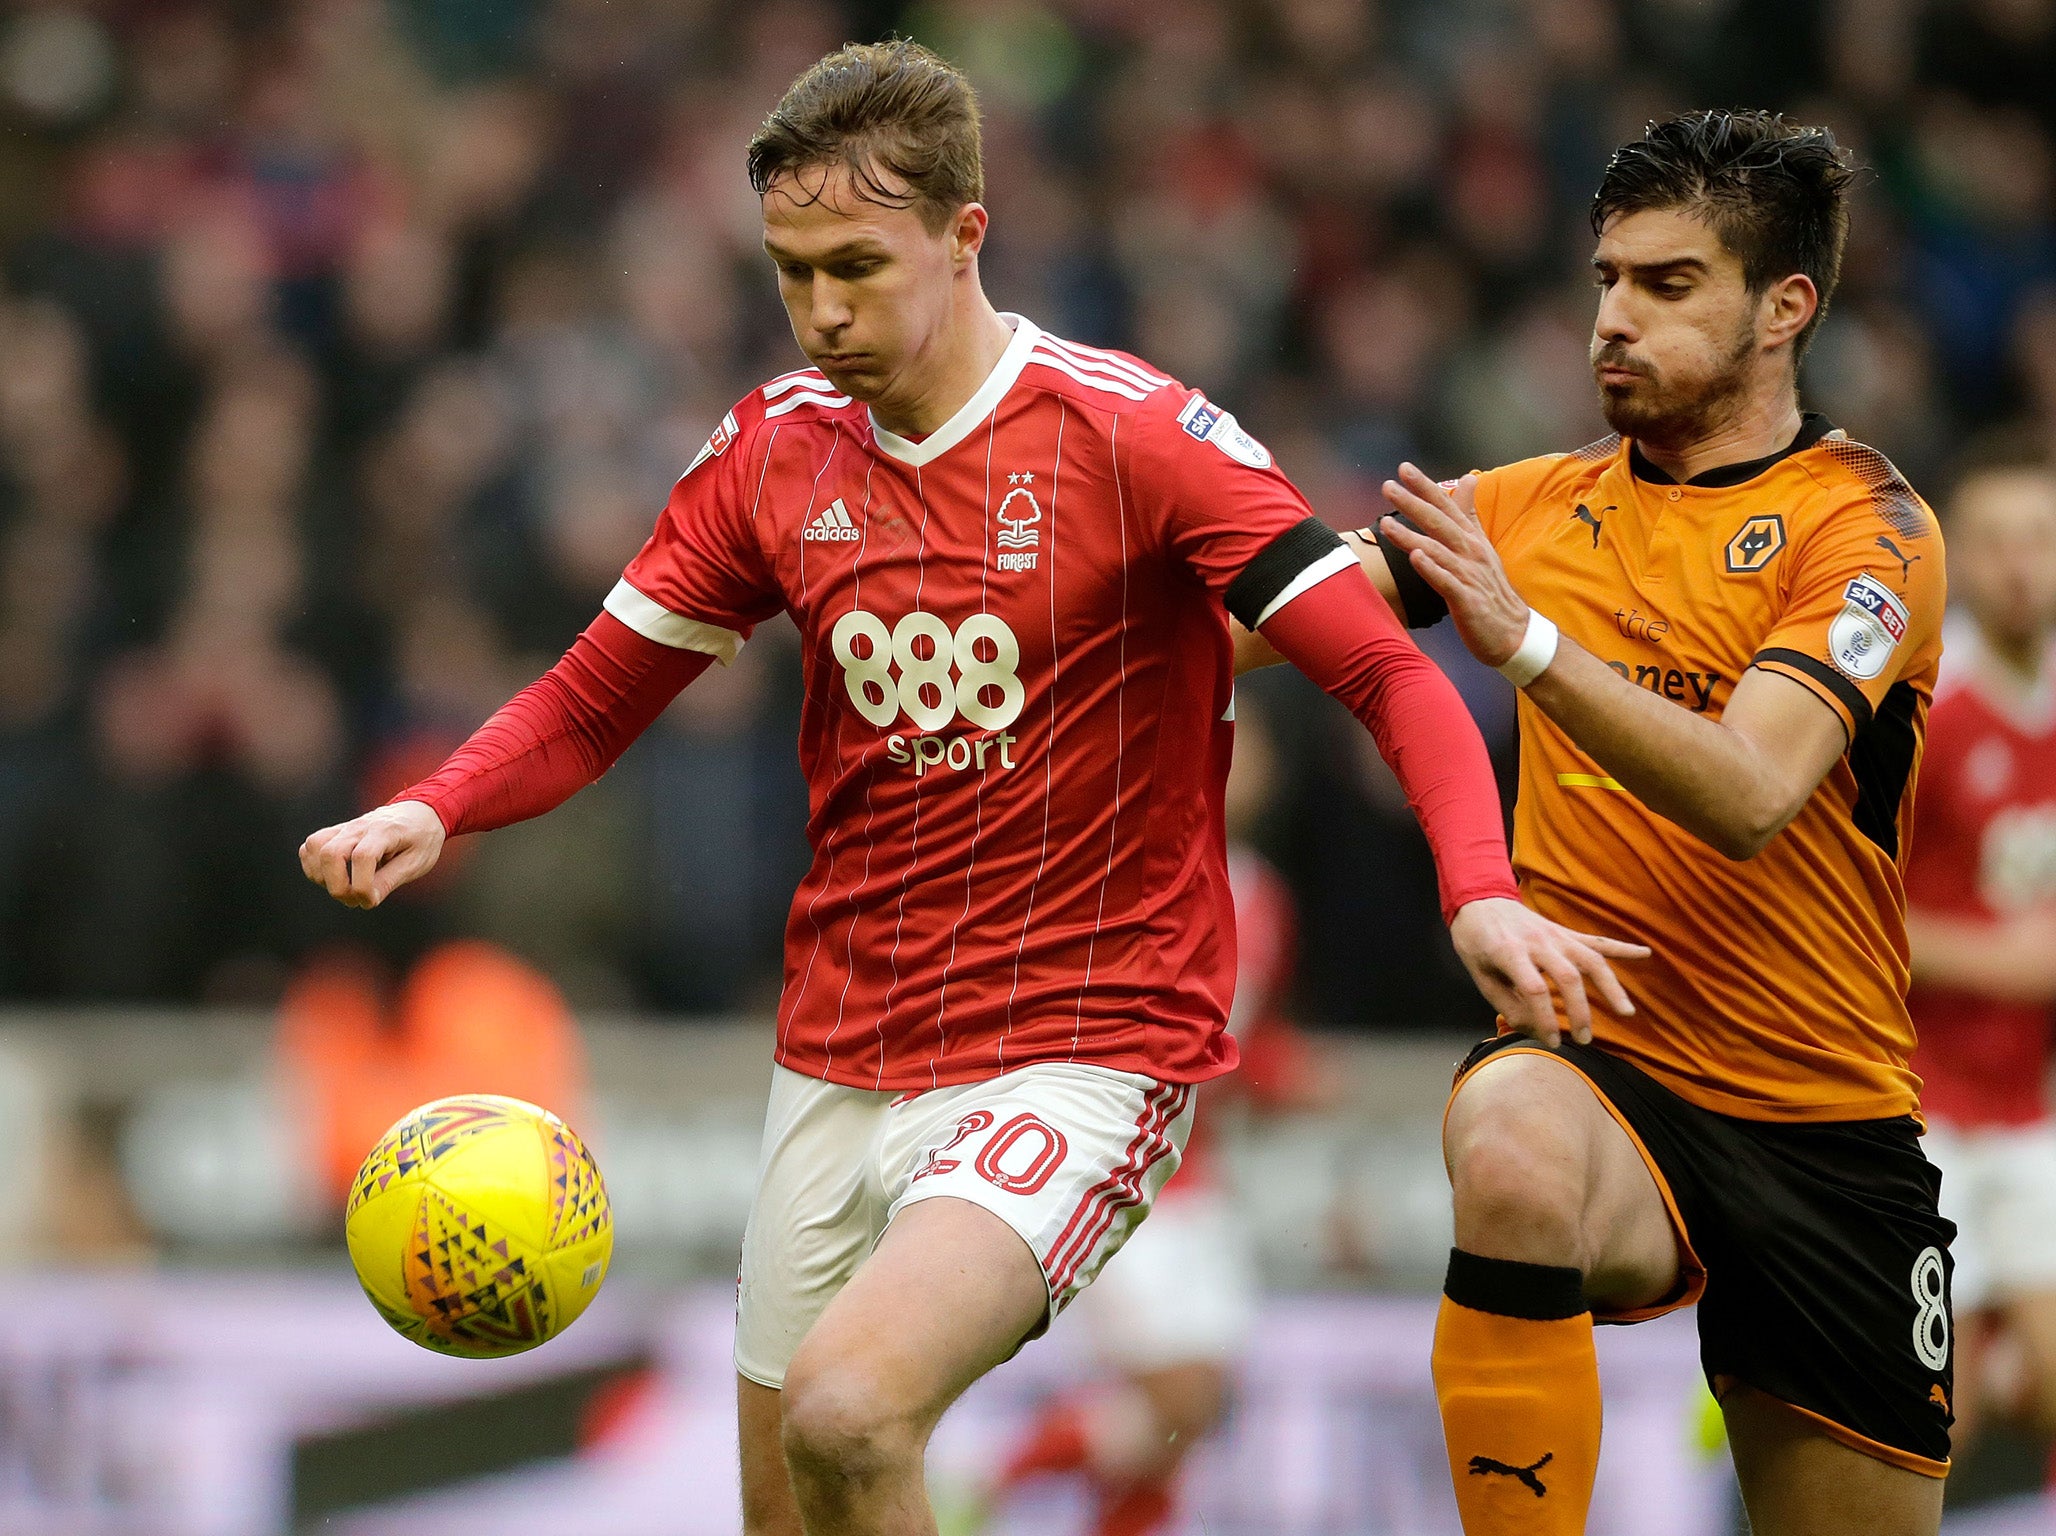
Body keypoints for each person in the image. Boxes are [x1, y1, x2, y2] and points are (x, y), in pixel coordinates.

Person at [298, 42, 1639, 1536]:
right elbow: (598, 695)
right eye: (791, 271)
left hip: (1082, 1040)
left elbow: (1386, 671)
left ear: (966, 231)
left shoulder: (1133, 435)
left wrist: (1480, 890)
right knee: (797, 1497)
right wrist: (438, 803)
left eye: (858, 265)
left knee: (853, 1405)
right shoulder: (770, 454)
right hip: (838, 1050)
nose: (821, 311)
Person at [1241, 110, 1954, 1535]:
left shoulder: (1868, 533)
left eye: (1669, 285)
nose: (1613, 321)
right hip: (1607, 1071)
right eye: (1608, 280)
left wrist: (1527, 646)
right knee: (1509, 1143)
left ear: (1785, 307)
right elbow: (1254, 618)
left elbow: (1754, 793)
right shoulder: (1525, 509)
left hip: (1826, 1126)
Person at [969, 696, 1315, 1536]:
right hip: (1117, 1173)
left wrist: (1282, 1075)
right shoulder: (1129, 871)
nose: (1246, 760)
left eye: (1255, 740)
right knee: (1176, 1399)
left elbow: (1237, 1045)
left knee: (1179, 1422)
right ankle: (981, 1484)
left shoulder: (1265, 896)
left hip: (1201, 1185)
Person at [1903, 460, 2056, 1453]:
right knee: (1925, 1412)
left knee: (2048, 1380)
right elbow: (1854, 915)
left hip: (2028, 1100)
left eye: (2039, 542)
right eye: (1995, 542)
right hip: (1921, 1102)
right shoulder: (1921, 713)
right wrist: (2006, 964)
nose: (2019, 568)